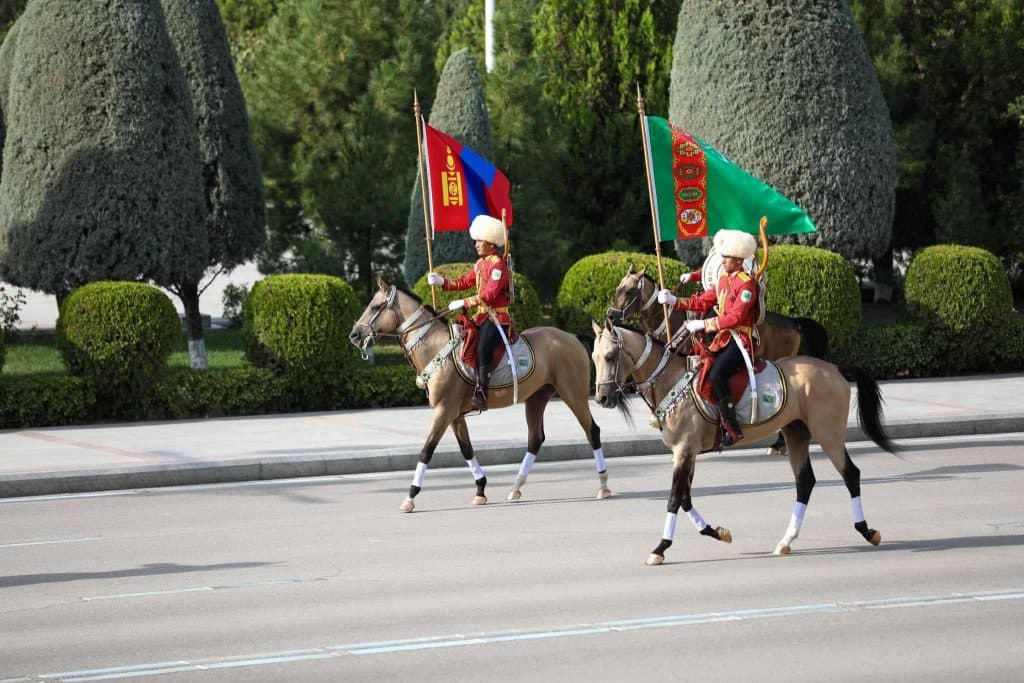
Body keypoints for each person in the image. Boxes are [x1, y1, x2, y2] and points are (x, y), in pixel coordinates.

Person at [657, 229, 759, 446]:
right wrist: (674, 300)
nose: (722, 260)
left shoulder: (747, 284)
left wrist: (704, 324)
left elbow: (735, 317)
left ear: (739, 259)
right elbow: (703, 301)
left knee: (717, 374)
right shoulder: (724, 279)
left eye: (726, 257)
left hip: (740, 341)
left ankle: (732, 427)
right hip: (722, 338)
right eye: (722, 256)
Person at [426, 214, 513, 411]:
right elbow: (464, 282)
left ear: (491, 243)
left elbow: (489, 295)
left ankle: (482, 392)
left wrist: (465, 301)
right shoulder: (480, 264)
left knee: (482, 347)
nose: (476, 244)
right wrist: (442, 282)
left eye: (480, 241)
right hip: (481, 316)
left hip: (496, 318)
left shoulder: (498, 265)